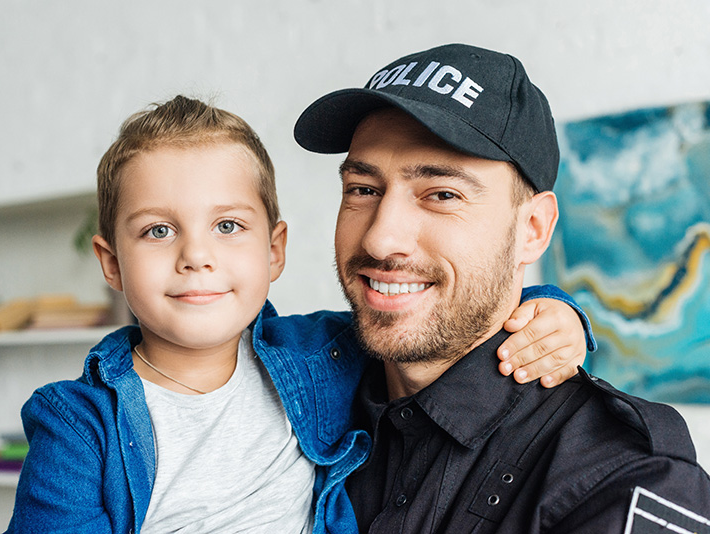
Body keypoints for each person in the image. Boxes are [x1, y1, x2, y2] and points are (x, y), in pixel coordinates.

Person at [5, 95, 591, 533]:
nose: (197, 257)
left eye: (228, 226)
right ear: (111, 263)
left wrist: (556, 314)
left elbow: (430, 325)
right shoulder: (78, 425)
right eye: (158, 231)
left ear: (274, 250)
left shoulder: (320, 356)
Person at [292, 43, 710, 533]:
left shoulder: (621, 475)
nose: (380, 237)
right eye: (363, 190)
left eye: (442, 195)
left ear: (532, 229)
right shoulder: (290, 395)